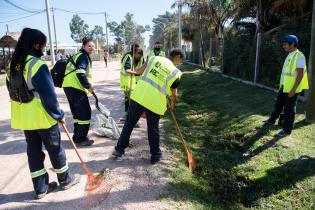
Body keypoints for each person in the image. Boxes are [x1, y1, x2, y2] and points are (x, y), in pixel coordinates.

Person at [6, 28, 80, 199]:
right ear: (36, 45)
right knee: (55, 148)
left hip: (24, 117)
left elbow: (12, 89)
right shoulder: (37, 64)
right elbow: (49, 95)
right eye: (43, 46)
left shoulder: (15, 64)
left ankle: (40, 188)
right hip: (42, 116)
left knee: (33, 152)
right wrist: (59, 114)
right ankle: (65, 180)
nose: (43, 49)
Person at [113, 49, 184, 164]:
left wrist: (131, 72)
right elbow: (174, 93)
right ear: (177, 57)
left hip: (138, 97)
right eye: (181, 60)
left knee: (129, 124)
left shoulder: (153, 59)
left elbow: (140, 72)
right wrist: (172, 104)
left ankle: (119, 149)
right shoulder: (175, 72)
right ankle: (155, 155)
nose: (180, 62)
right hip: (154, 103)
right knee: (153, 129)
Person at [264, 35, 309, 137]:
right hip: (285, 86)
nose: (283, 46)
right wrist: (282, 86)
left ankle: (287, 130)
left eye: (285, 44)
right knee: (279, 104)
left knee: (289, 109)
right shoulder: (290, 54)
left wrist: (293, 90)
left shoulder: (299, 56)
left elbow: (300, 74)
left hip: (292, 89)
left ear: (292, 44)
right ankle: (272, 120)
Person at [62, 37, 95, 146]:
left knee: (77, 113)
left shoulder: (78, 55)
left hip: (68, 86)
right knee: (85, 113)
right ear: (84, 46)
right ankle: (81, 138)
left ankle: (77, 136)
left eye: (93, 46)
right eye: (89, 45)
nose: (91, 48)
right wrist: (88, 86)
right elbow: (80, 73)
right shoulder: (83, 56)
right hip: (76, 87)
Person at [120, 44, 144, 113]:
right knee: (129, 100)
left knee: (134, 100)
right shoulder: (129, 58)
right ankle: (127, 114)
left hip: (135, 82)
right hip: (128, 83)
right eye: (139, 53)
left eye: (141, 53)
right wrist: (137, 73)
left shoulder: (139, 58)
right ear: (134, 52)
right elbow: (127, 70)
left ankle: (131, 115)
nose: (140, 55)